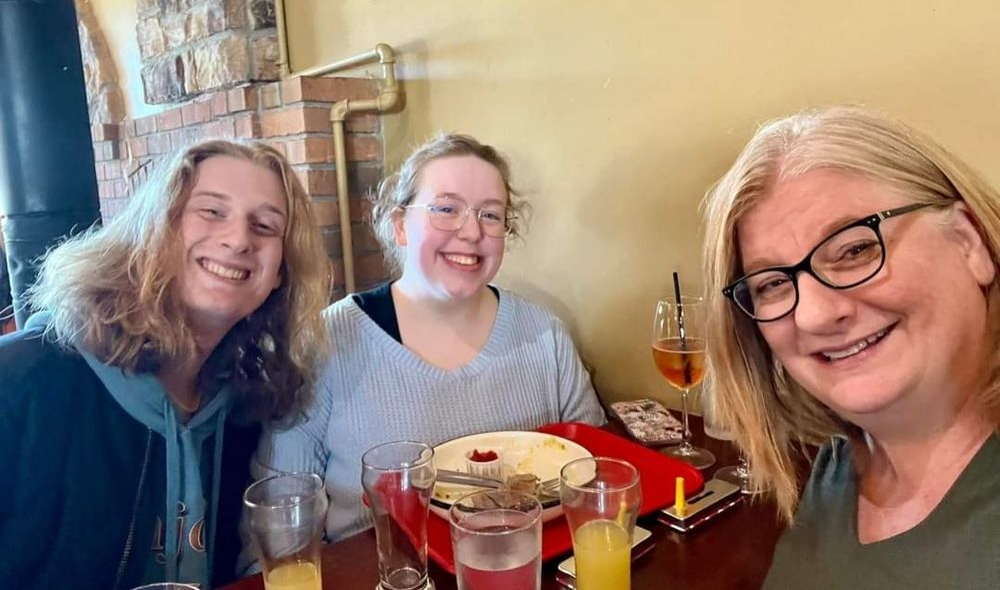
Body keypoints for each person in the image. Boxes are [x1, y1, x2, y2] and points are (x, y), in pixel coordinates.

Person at [0, 140, 329, 590]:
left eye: (265, 226)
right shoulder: (20, 383)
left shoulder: (247, 405)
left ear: (280, 274)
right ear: (154, 228)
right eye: (211, 211)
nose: (238, 240)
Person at [252, 133, 605, 542]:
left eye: (491, 215)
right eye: (446, 209)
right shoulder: (323, 342)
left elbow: (595, 474)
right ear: (400, 225)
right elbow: (280, 521)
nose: (471, 231)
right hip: (383, 569)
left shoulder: (545, 335)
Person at [702, 106, 1000, 589]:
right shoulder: (838, 461)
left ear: (969, 242)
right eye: (773, 283)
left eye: (855, 249)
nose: (814, 315)